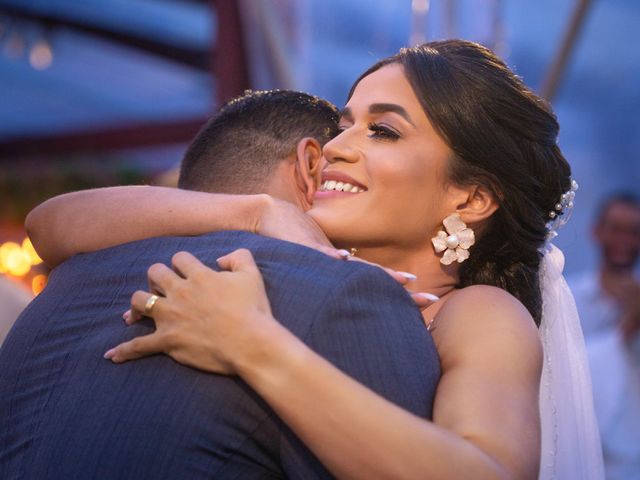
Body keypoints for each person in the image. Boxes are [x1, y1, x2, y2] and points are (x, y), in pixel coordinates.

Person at [26, 40, 604, 479]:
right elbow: (51, 225)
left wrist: (251, 345)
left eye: (382, 131)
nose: (335, 147)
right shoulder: (294, 264)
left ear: (472, 197)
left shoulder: (479, 312)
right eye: (344, 124)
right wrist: (254, 211)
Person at [0, 90, 442, 479]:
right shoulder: (340, 293)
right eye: (341, 141)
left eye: (379, 132)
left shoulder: (63, 287)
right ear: (310, 164)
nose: (347, 153)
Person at [569, 193, 640, 480]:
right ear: (596, 231)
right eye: (616, 229)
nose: (624, 240)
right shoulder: (568, 299)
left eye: (634, 232)